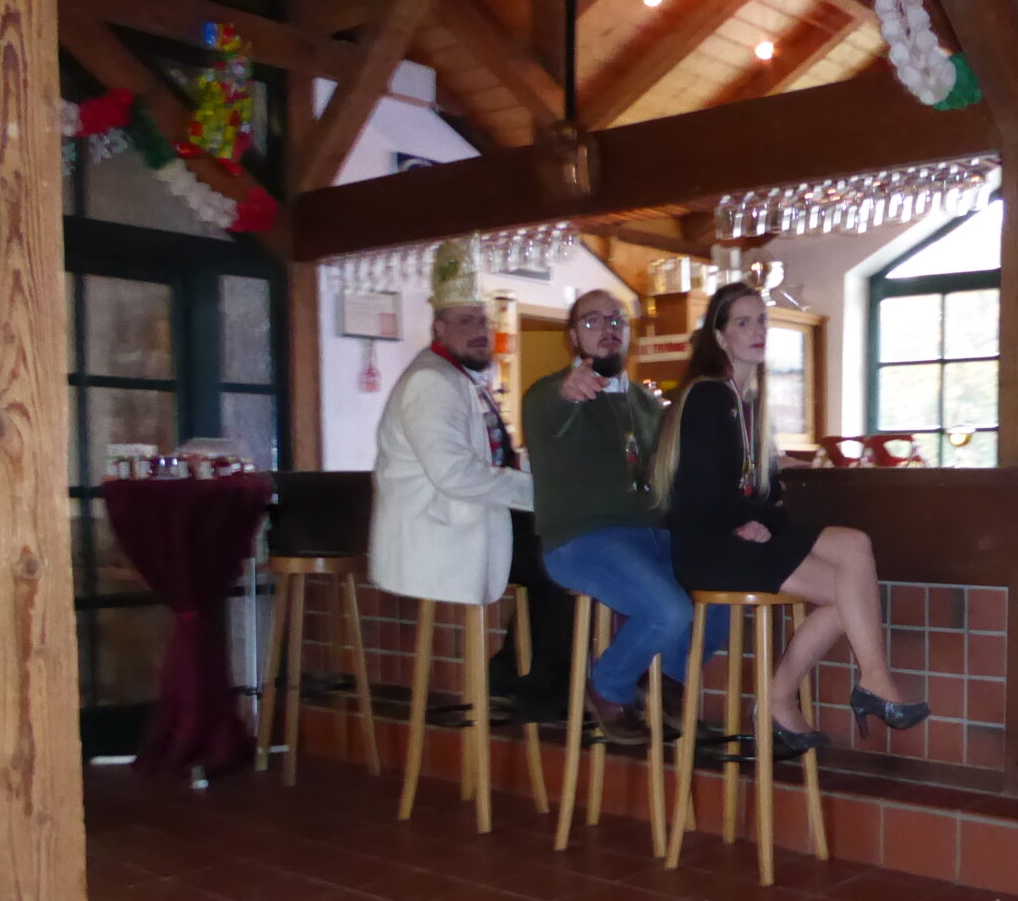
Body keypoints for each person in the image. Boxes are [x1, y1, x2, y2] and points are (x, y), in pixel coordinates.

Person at [650, 282, 927, 749]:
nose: (757, 330)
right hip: (712, 548)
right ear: (719, 336)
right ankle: (859, 685)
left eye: (761, 320)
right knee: (850, 570)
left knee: (852, 567)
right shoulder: (709, 397)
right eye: (743, 322)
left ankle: (807, 693)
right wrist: (761, 518)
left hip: (737, 535)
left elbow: (755, 487)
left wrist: (772, 492)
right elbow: (703, 494)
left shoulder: (747, 401)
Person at [368, 240, 571, 719]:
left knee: (562, 554)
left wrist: (548, 476)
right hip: (438, 533)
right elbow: (455, 474)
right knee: (563, 562)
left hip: (464, 520)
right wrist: (544, 493)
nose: (480, 331)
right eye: (465, 321)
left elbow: (490, 458)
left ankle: (517, 673)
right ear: (438, 327)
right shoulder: (433, 382)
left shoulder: (460, 377)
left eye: (482, 320)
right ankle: (538, 685)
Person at [522, 289, 726, 743]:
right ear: (572, 337)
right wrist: (567, 390)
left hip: (652, 538)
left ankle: (668, 679)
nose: (608, 329)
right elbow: (556, 403)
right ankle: (608, 688)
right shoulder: (547, 395)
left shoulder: (646, 404)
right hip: (582, 540)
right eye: (592, 321)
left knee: (724, 588)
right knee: (668, 610)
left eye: (617, 320)